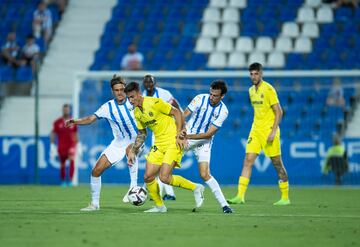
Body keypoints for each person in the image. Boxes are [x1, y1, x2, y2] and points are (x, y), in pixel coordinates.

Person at [125, 82, 204, 213]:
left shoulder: (155, 102)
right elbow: (142, 133)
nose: (130, 100)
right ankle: (160, 206)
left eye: (132, 96)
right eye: (128, 98)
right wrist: (133, 151)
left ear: (139, 93)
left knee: (164, 177)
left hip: (173, 141)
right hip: (159, 144)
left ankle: (196, 188)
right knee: (148, 177)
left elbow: (177, 113)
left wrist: (179, 134)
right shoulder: (137, 113)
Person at [65, 75, 140, 211]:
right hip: (118, 143)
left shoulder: (133, 102)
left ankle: (133, 187)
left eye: (122, 89)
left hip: (137, 139)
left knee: (130, 149)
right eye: (116, 90)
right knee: (96, 171)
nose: (119, 92)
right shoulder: (108, 107)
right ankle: (94, 204)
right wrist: (75, 121)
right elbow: (90, 119)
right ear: (112, 91)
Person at [227, 62, 290, 206]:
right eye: (251, 74)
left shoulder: (268, 89)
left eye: (256, 74)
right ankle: (240, 196)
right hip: (255, 130)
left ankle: (285, 197)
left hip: (269, 131)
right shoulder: (250, 90)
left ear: (261, 74)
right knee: (248, 160)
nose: (254, 76)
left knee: (277, 163)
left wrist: (274, 131)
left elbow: (279, 111)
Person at [182, 80, 233, 214]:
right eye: (211, 93)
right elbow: (183, 115)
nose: (211, 97)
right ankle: (145, 190)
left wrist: (188, 137)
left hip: (203, 141)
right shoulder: (200, 98)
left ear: (222, 96)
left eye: (215, 95)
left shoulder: (223, 111)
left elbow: (209, 134)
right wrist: (181, 132)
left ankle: (225, 205)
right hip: (187, 134)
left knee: (205, 174)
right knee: (163, 160)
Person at [142, 74, 182, 201]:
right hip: (157, 132)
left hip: (170, 130)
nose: (148, 84)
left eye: (150, 82)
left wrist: (180, 127)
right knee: (159, 163)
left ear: (155, 83)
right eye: (146, 82)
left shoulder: (164, 94)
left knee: (164, 163)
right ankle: (162, 192)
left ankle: (168, 193)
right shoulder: (143, 95)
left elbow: (177, 108)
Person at [50, 104, 79, 186]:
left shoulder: (73, 122)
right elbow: (53, 133)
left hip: (71, 145)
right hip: (61, 146)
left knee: (71, 160)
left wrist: (78, 145)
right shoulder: (57, 122)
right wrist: (52, 145)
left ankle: (70, 181)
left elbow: (75, 133)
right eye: (64, 109)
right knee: (62, 164)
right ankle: (63, 181)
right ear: (62, 110)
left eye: (67, 109)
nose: (66, 111)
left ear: (69, 110)